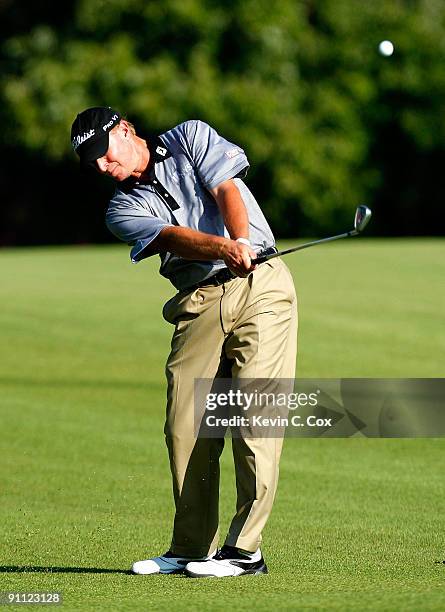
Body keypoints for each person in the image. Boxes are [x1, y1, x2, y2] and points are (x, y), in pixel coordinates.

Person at [70, 106, 298, 578]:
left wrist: (240, 241)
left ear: (126, 130)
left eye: (103, 153)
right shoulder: (121, 209)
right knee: (186, 426)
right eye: (90, 162)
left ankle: (244, 552)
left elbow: (225, 188)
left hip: (262, 286)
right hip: (197, 301)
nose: (100, 167)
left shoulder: (189, 136)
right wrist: (223, 249)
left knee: (255, 417)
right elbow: (174, 236)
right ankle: (192, 548)